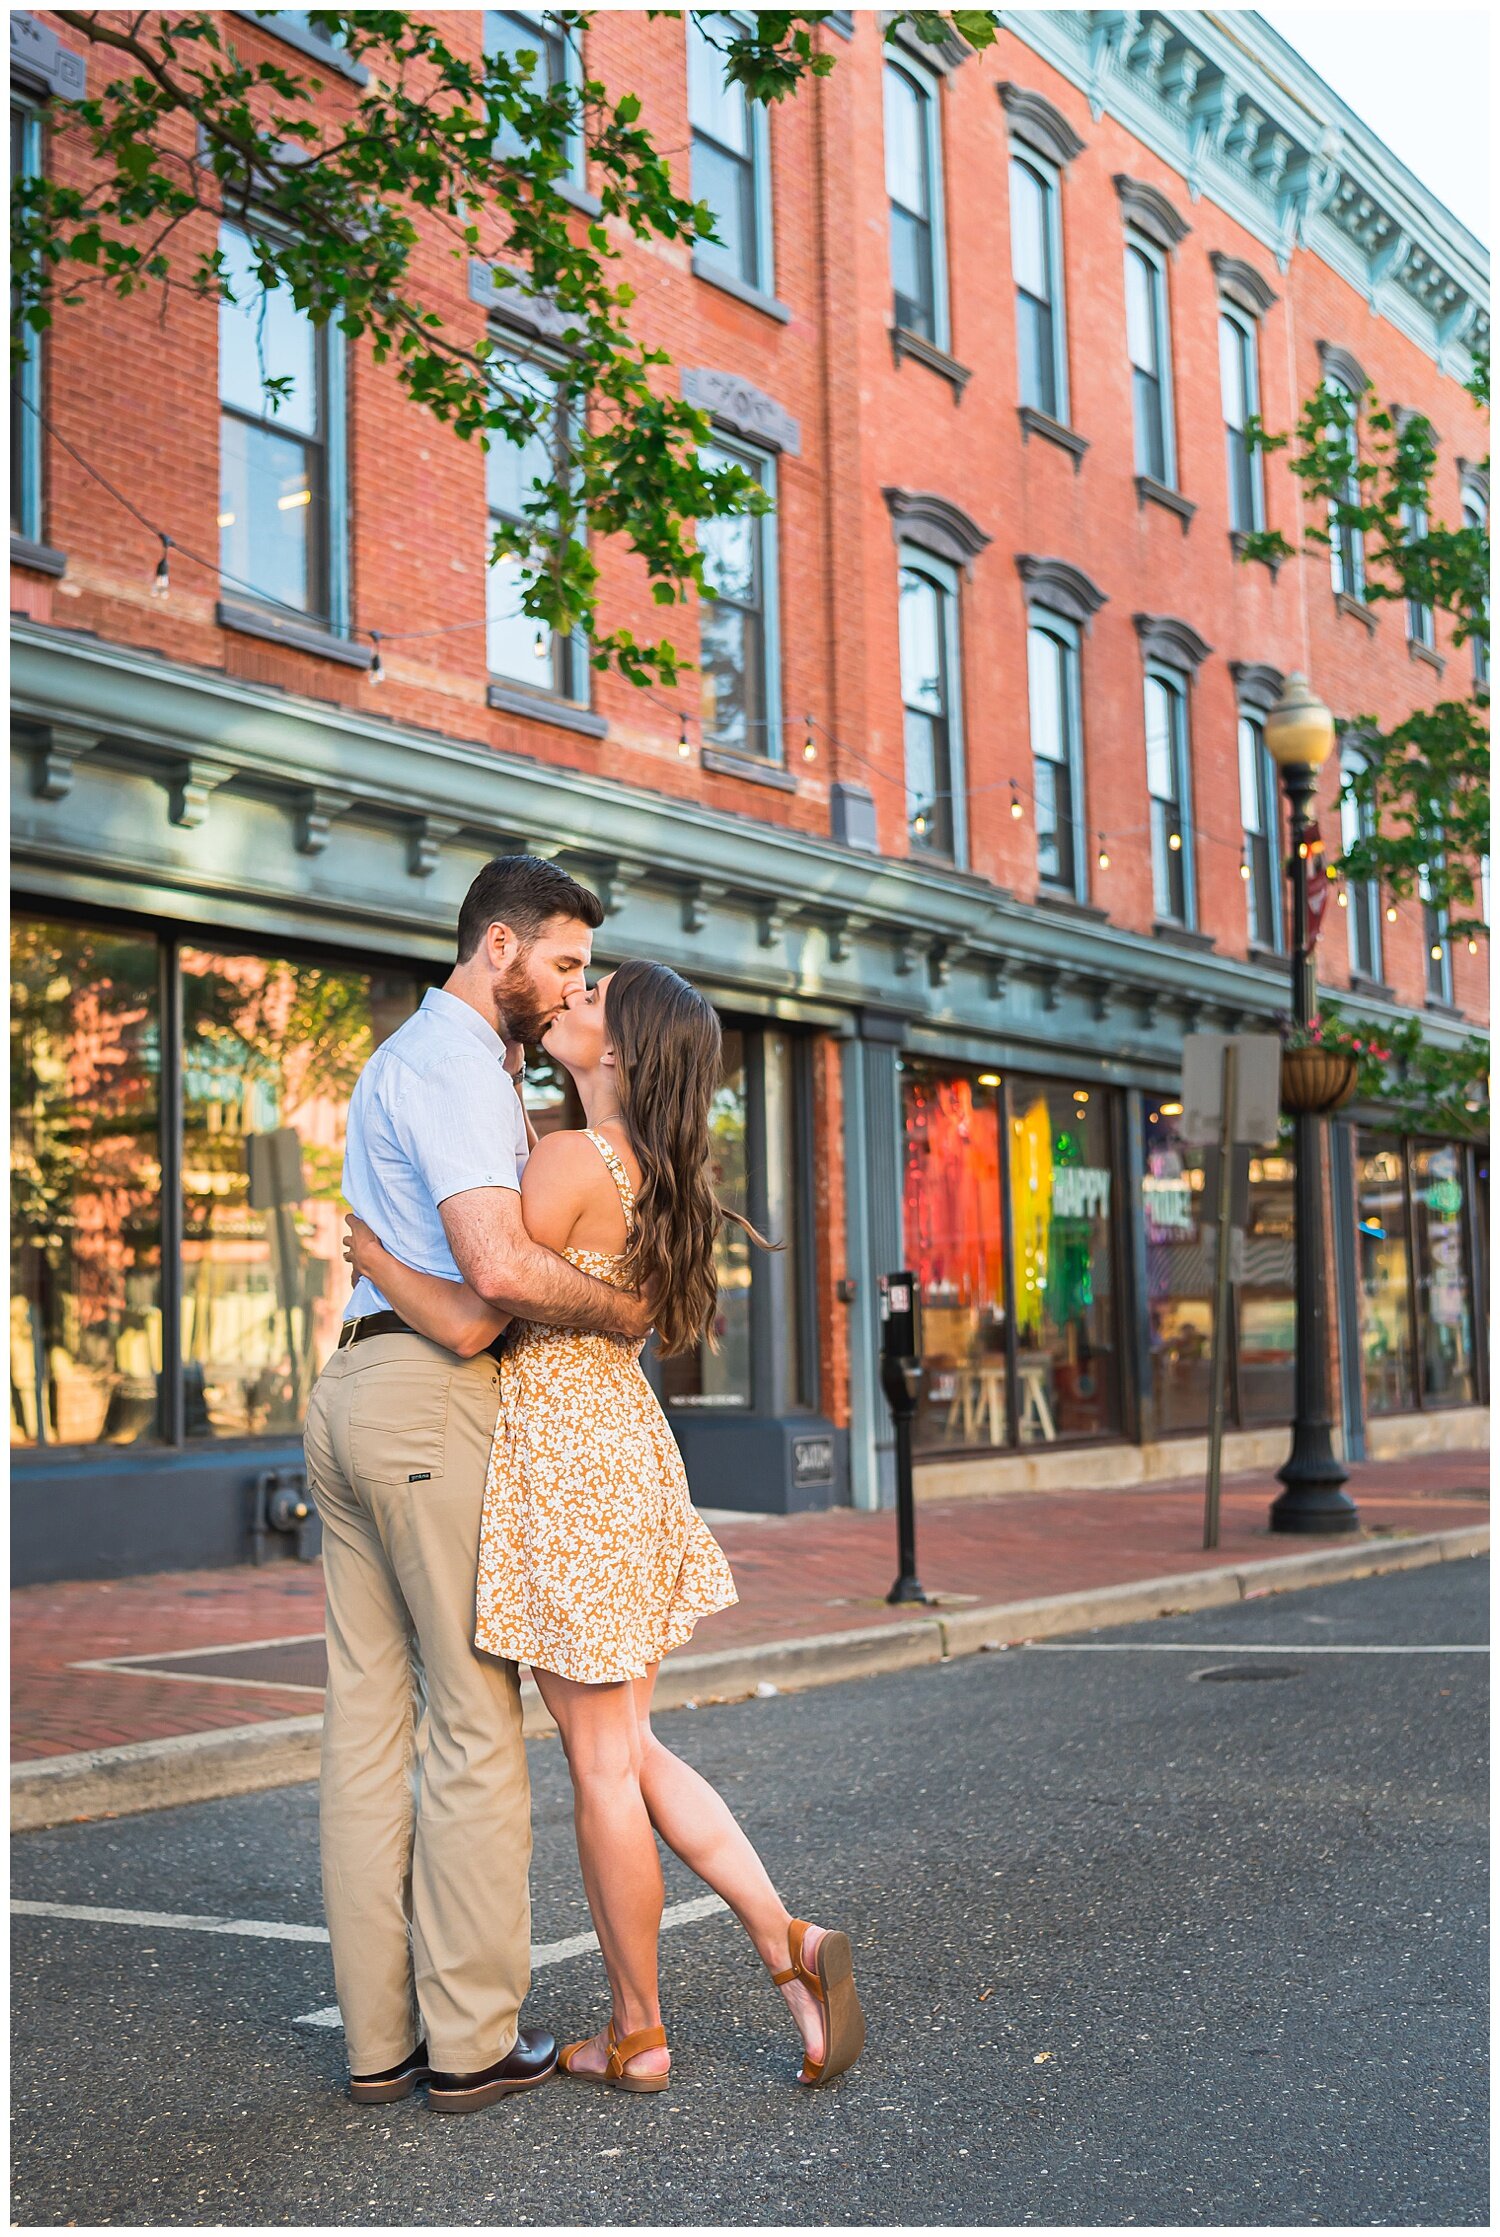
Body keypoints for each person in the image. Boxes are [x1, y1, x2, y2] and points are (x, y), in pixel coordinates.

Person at [344, 958, 865, 2095]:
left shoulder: (569, 1159)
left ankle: (640, 2031)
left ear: (622, 1050)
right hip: (623, 1455)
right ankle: (787, 1941)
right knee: (630, 1748)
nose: (571, 1001)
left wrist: (376, 1258)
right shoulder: (650, 1172)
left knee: (599, 1767)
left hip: (566, 1464)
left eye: (592, 1000)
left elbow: (480, 1311)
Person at [304, 855, 652, 2117]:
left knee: (363, 1725)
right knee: (469, 1717)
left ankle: (377, 2043)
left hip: (349, 1390)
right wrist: (626, 1310)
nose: (570, 988)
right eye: (562, 962)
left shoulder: (431, 1060)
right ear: (498, 946)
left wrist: (382, 1261)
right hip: (425, 1404)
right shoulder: (454, 1062)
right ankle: (466, 2043)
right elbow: (493, 1274)